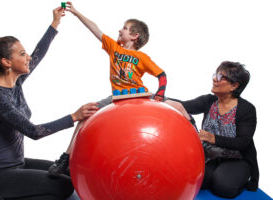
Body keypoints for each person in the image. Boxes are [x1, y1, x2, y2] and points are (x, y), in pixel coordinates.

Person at [47, 1, 193, 177]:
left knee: (180, 107)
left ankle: (200, 144)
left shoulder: (142, 57)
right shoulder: (114, 48)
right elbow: (95, 29)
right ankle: (65, 159)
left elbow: (162, 75)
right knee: (84, 117)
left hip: (140, 95)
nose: (119, 30)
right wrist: (76, 13)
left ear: (134, 36)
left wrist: (159, 96)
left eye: (124, 28)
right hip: (117, 97)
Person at [0, 6, 99, 200]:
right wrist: (74, 117)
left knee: (71, 175)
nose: (28, 57)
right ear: (7, 62)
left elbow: (38, 54)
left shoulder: (16, 83)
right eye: (22, 54)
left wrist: (55, 22)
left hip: (17, 164)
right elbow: (34, 132)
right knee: (64, 188)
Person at [168, 61, 259, 198]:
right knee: (189, 179)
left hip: (237, 159)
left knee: (224, 187)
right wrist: (155, 96)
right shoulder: (209, 101)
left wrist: (213, 138)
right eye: (215, 75)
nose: (214, 79)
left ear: (234, 86)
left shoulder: (247, 109)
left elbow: (243, 143)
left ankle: (233, 176)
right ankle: (216, 174)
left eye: (220, 77)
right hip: (211, 158)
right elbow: (182, 105)